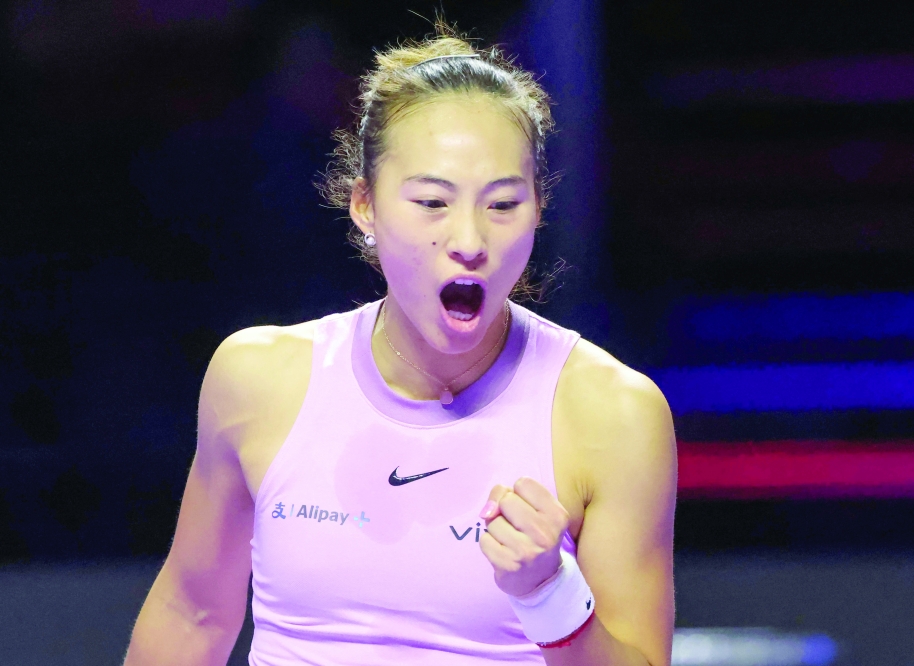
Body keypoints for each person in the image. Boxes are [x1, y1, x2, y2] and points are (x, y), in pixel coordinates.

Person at [124, 23, 676, 666]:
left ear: (538, 209)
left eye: (502, 205)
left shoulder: (615, 414)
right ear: (365, 205)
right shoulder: (257, 379)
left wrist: (550, 595)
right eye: (432, 202)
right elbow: (191, 615)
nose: (470, 239)